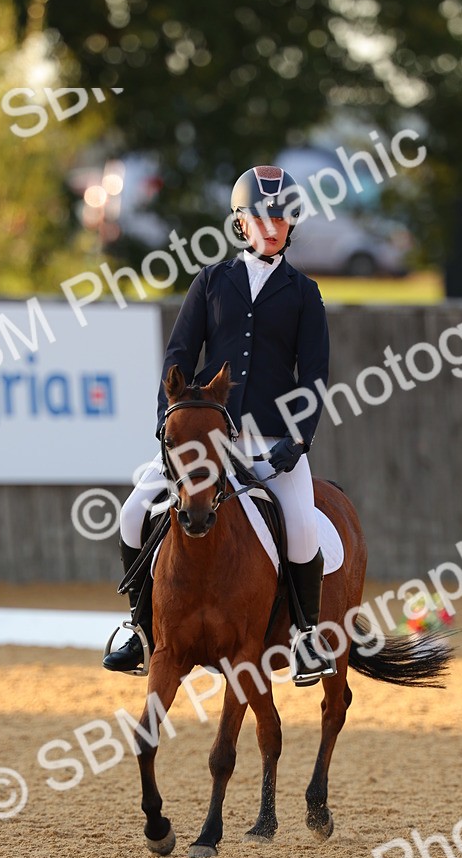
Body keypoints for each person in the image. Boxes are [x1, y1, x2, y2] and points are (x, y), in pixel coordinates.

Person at [103, 164, 333, 686]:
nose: (271, 225)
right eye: (260, 216)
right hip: (208, 438)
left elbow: (315, 375)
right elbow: (179, 354)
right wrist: (171, 421)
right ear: (241, 223)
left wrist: (297, 441)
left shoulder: (304, 293)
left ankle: (306, 637)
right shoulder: (211, 281)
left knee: (300, 528)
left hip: (274, 439)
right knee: (134, 510)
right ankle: (139, 630)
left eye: (281, 217)